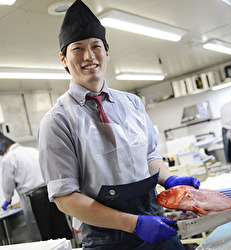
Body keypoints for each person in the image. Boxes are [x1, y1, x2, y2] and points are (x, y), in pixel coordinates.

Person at [38, 0, 200, 249]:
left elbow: (149, 155)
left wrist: (168, 179)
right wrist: (133, 224)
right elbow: (66, 198)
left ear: (107, 53)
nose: (89, 56)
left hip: (155, 222)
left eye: (96, 46)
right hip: (106, 239)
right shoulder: (57, 121)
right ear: (63, 59)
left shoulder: (133, 103)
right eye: (78, 48)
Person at [0, 133, 72, 241]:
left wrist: (8, 200)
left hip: (35, 200)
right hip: (52, 196)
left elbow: (7, 186)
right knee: (61, 236)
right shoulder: (32, 150)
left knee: (42, 237)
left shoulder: (9, 159)